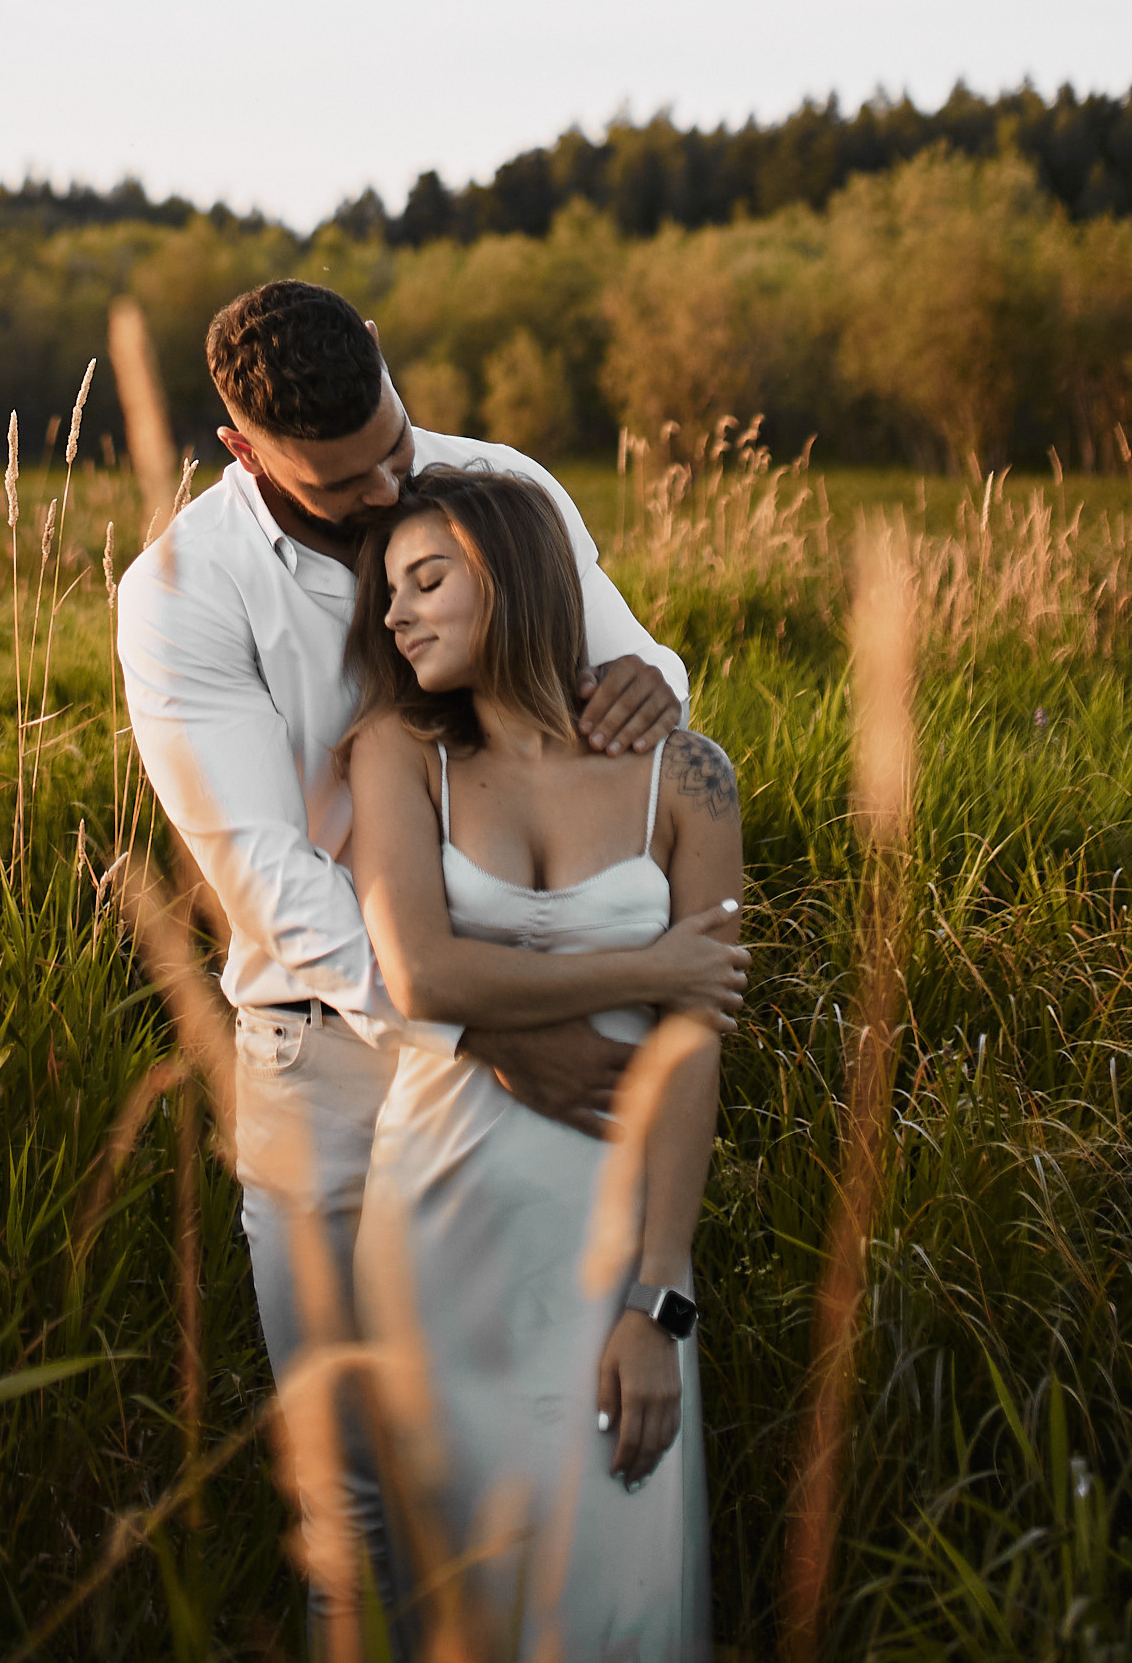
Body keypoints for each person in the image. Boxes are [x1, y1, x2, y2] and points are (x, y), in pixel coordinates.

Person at [115, 278, 688, 1637]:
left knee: (540, 1433)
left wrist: (653, 679)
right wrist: (476, 1023)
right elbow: (266, 883)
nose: (390, 488)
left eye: (393, 446)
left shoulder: (498, 486)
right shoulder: (182, 595)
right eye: (344, 483)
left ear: (382, 361)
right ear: (241, 452)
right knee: (357, 1488)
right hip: (327, 1063)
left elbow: (620, 690)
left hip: (543, 1006)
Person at [345, 466, 745, 1659]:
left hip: (611, 1240)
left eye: (427, 580)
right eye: (387, 592)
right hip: (435, 1224)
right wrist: (648, 967)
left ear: (511, 580)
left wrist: (656, 1302)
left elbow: (695, 1041)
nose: (395, 614)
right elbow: (424, 977)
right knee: (454, 1592)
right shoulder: (396, 753)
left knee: (615, 1585)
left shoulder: (689, 774)